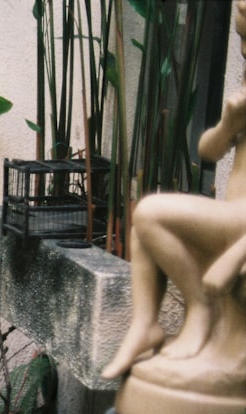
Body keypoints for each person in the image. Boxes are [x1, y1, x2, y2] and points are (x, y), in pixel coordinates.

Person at [100, 0, 246, 386]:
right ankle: (145, 325)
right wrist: (230, 121)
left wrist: (236, 255)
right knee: (143, 230)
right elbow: (208, 151)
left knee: (149, 214)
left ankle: (200, 308)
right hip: (234, 213)